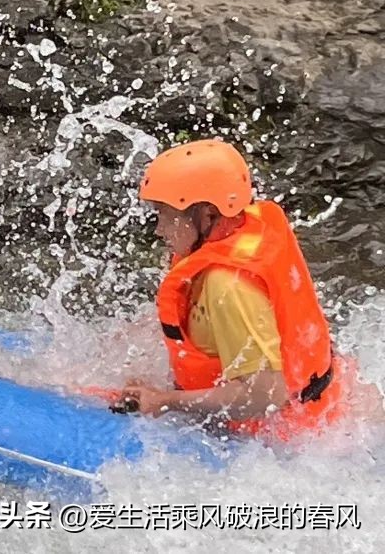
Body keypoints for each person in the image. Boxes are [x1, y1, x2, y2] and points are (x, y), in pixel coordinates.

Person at [114, 138, 345, 438]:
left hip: (293, 440)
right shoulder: (220, 238)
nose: (158, 229)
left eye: (165, 214)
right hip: (330, 398)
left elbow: (265, 395)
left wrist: (165, 401)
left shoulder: (228, 288)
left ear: (208, 214)